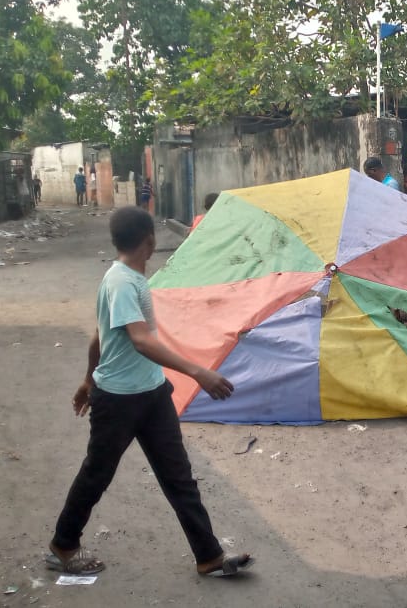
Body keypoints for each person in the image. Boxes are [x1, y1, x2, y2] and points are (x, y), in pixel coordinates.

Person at [46, 206, 254, 578]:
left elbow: (99, 336)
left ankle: (208, 555)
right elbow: (141, 341)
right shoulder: (122, 282)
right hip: (120, 401)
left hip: (152, 393)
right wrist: (198, 371)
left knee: (179, 477)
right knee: (97, 474)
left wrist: (86, 379)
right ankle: (63, 545)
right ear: (150, 241)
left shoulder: (127, 279)